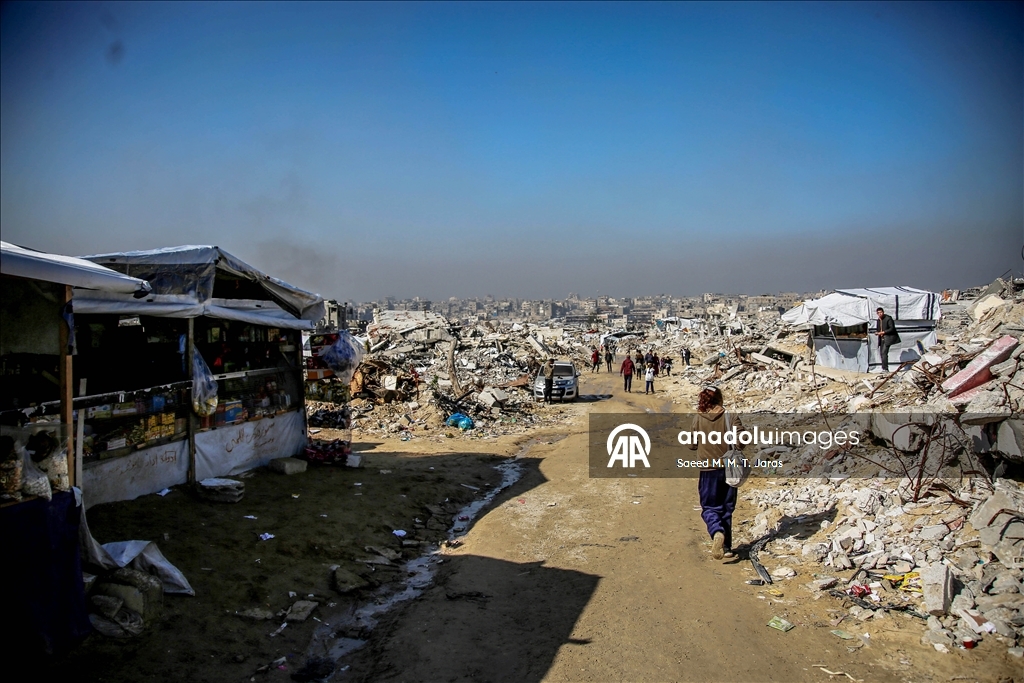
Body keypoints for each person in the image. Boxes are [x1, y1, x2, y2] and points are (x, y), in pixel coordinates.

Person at [688, 385, 743, 560]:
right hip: (729, 469)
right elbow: (742, 441)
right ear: (720, 398)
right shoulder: (730, 416)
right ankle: (726, 547)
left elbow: (691, 444)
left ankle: (716, 531)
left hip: (708, 470)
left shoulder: (699, 418)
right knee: (726, 508)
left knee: (710, 507)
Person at [875, 307, 901, 372]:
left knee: (884, 353)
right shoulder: (878, 320)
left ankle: (885, 369)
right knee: (882, 353)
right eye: (878, 313)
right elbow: (878, 329)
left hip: (887, 338)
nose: (880, 314)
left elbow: (892, 328)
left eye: (881, 312)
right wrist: (877, 332)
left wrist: (883, 332)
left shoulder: (888, 318)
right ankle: (884, 368)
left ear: (883, 312)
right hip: (881, 338)